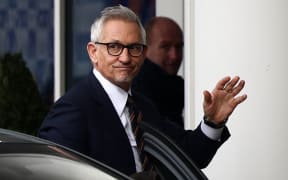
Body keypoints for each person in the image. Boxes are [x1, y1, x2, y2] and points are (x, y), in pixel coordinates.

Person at [38, 5, 247, 177]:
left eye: (134, 48)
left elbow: (189, 156)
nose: (126, 58)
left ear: (144, 53)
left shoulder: (141, 106)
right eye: (114, 47)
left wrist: (213, 122)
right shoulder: (73, 110)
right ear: (93, 52)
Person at [132, 17, 185, 127]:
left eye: (179, 47)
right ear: (145, 49)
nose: (174, 56)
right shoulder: (138, 89)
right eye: (165, 47)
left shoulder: (176, 86)